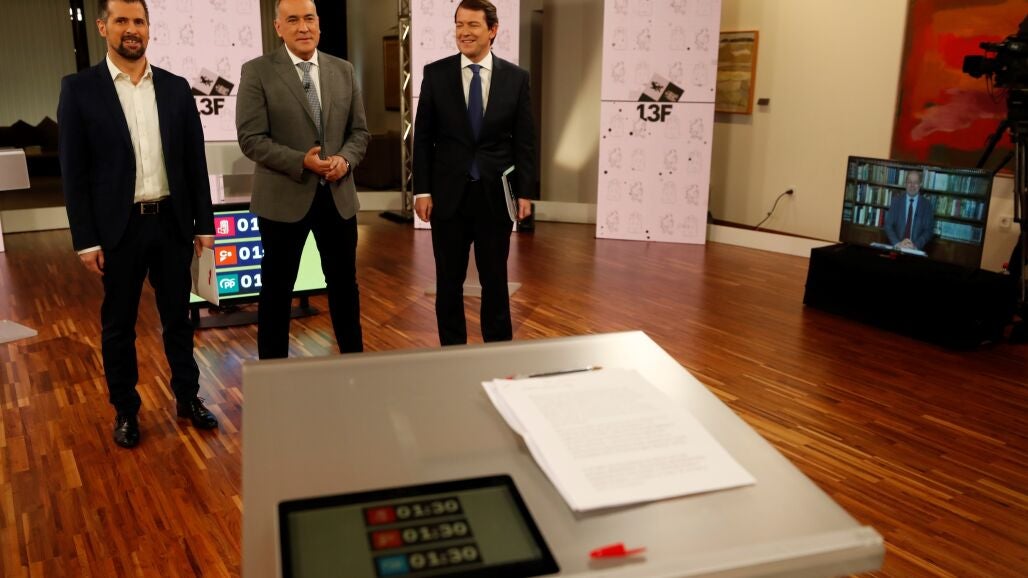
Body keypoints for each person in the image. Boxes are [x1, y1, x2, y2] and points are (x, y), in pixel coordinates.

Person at [58, 0, 218, 449]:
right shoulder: (79, 89)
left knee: (179, 320)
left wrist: (204, 224)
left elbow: (194, 162)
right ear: (102, 27)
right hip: (119, 229)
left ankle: (188, 396)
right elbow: (74, 173)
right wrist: (85, 240)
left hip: (171, 224)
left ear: (148, 28)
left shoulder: (175, 87)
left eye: (139, 21)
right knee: (119, 327)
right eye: (122, 21)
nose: (132, 29)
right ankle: (126, 410)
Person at [236, 0, 371, 359]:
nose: (303, 27)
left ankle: (355, 368)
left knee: (345, 288)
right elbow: (251, 139)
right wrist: (302, 161)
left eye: (309, 18)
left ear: (319, 23)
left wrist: (345, 159)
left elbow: (359, 132)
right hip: (283, 199)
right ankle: (273, 375)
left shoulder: (343, 70)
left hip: (338, 197)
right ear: (278, 27)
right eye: (293, 20)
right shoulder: (257, 71)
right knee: (276, 291)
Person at [413, 0, 536, 345]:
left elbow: (525, 141)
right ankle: (452, 353)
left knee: (495, 280)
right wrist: (422, 190)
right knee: (448, 282)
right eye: (459, 25)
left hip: (494, 196)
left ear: (493, 30)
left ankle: (497, 353)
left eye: (472, 25)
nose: (464, 32)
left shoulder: (516, 78)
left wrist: (525, 192)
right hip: (447, 197)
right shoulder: (435, 74)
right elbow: (422, 138)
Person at [884, 170, 936, 251]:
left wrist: (915, 246)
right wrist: (898, 243)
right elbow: (888, 225)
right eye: (909, 182)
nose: (912, 185)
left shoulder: (927, 205)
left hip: (916, 250)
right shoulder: (896, 201)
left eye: (915, 182)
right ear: (905, 184)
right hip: (897, 248)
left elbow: (929, 231)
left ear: (920, 185)